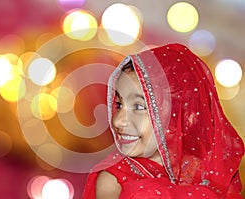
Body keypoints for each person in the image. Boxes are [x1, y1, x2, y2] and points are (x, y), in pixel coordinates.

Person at [82, 43, 244, 198]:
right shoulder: (113, 179)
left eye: (138, 107)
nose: (118, 121)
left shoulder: (207, 172)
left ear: (182, 115)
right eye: (118, 104)